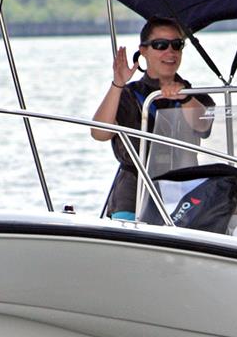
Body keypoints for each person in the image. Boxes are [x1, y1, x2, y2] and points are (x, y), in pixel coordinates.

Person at [91, 16, 215, 219]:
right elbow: (99, 133)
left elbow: (204, 125)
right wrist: (117, 84)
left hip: (184, 189)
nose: (170, 52)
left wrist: (184, 97)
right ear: (143, 51)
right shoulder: (127, 95)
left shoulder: (197, 95)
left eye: (177, 45)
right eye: (160, 45)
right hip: (134, 191)